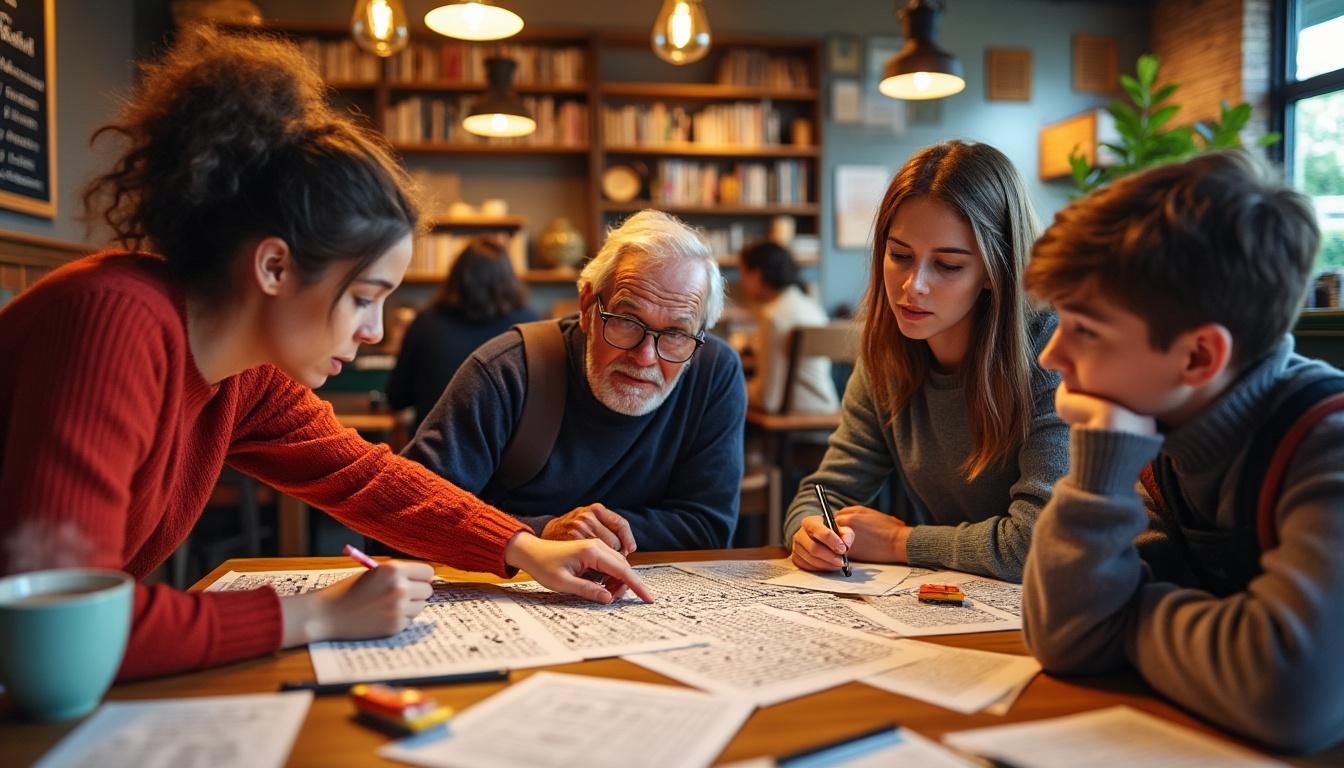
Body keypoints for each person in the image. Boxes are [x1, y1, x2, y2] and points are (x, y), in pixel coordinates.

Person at [0, 27, 650, 683]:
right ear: (275, 266)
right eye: (365, 297)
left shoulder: (244, 376)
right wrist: (316, 616)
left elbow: (370, 479)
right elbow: (62, 639)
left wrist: (524, 548)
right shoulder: (113, 323)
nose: (373, 330)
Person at [1021, 151, 1344, 753]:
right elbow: (1067, 636)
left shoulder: (1326, 444)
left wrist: (1124, 618)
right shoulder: (1158, 431)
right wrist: (1098, 474)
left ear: (1198, 358)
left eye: (1085, 330)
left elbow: (1290, 693)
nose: (1051, 356)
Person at [784, 140, 1068, 582]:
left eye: (948, 265)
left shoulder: (1054, 352)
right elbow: (825, 492)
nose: (913, 286)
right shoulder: (885, 358)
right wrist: (810, 532)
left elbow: (1042, 541)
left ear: (997, 271)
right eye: (899, 256)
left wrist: (902, 542)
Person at [402, 209, 746, 552]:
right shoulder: (508, 371)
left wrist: (593, 535)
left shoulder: (714, 373)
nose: (645, 357)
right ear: (587, 308)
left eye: (675, 333)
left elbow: (708, 529)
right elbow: (404, 513)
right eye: (626, 321)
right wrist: (543, 534)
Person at [387, 236, 538, 433]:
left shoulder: (426, 322)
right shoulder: (529, 324)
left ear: (457, 276)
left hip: (437, 454)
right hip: (509, 455)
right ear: (509, 277)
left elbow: (396, 398)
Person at [738, 239, 839, 415]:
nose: (742, 282)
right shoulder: (809, 305)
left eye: (743, 273)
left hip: (794, 415)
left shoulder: (773, 315)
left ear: (756, 274)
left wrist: (733, 388)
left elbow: (769, 399)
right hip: (828, 409)